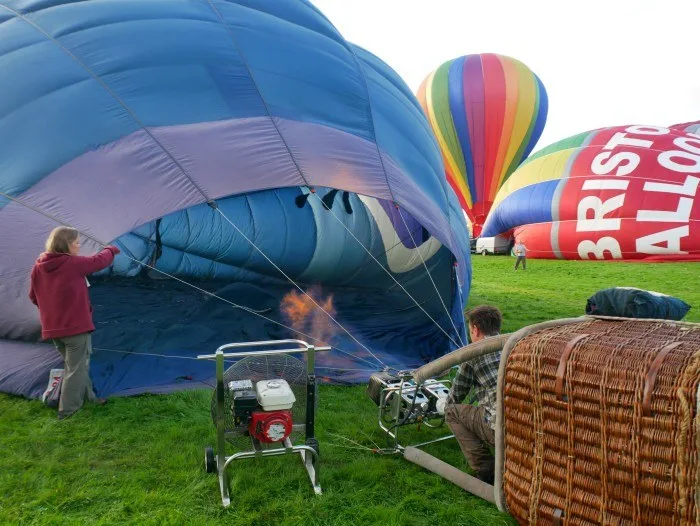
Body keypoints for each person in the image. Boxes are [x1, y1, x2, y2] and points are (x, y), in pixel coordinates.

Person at [29, 227, 120, 420]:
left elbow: (33, 296)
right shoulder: (71, 263)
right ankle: (68, 411)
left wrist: (52, 309)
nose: (79, 246)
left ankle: (90, 398)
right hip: (75, 329)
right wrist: (110, 250)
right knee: (75, 369)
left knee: (77, 366)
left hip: (53, 329)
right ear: (67, 244)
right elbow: (98, 261)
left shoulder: (39, 266)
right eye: (76, 242)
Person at [445, 305, 502, 484]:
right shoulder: (515, 345)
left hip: (501, 429)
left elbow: (456, 396)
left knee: (452, 412)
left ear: (475, 329)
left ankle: (486, 469)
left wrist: (442, 404)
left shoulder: (473, 354)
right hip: (528, 425)